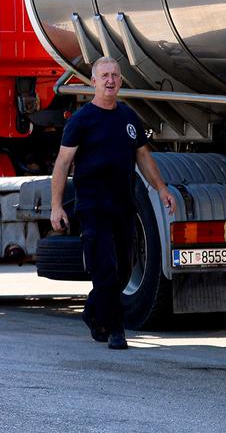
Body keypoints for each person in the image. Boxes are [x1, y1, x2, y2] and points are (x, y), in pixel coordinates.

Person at [49, 57, 177, 350]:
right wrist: (57, 206)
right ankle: (116, 328)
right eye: (104, 75)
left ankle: (94, 312)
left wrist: (161, 188)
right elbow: (63, 163)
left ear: (120, 81)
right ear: (93, 81)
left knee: (122, 270)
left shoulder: (128, 117)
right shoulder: (81, 120)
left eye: (115, 76)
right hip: (93, 207)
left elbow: (142, 156)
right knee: (104, 268)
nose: (110, 80)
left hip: (123, 205)